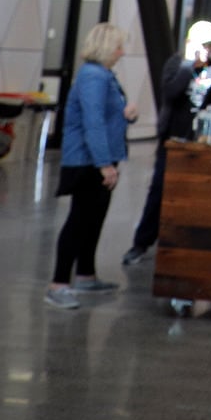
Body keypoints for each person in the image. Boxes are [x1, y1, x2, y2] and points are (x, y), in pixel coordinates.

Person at [45, 22, 137, 309]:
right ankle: (59, 283)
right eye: (119, 47)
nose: (122, 53)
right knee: (79, 220)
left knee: (94, 219)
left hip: (100, 158)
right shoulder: (93, 77)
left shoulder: (105, 75)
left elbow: (107, 117)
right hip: (87, 161)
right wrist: (104, 165)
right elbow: (92, 122)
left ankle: (85, 274)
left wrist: (127, 116)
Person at [123, 20, 211, 265]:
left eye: (210, 45)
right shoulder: (177, 64)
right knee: (159, 190)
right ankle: (141, 242)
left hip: (202, 141)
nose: (207, 50)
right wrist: (190, 65)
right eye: (203, 45)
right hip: (173, 139)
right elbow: (171, 91)